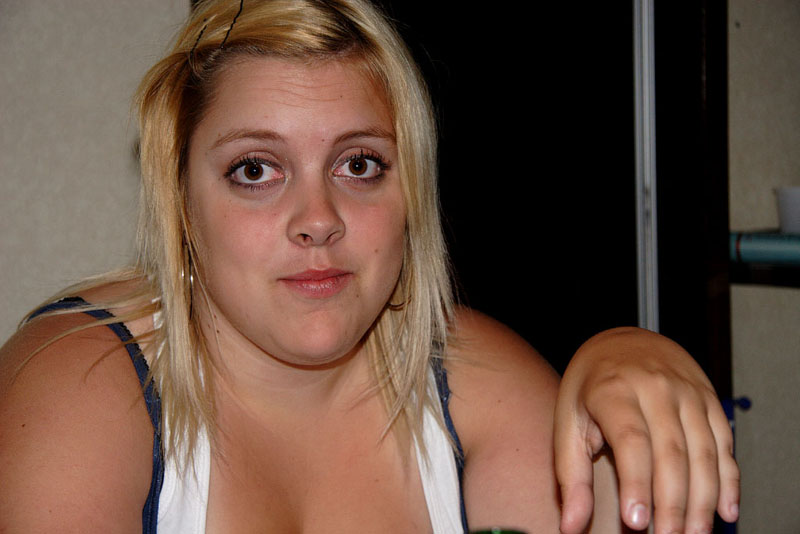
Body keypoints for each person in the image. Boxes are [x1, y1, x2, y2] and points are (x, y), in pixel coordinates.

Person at [0, 0, 738, 532]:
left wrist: (627, 362)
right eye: (255, 169)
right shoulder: (79, 389)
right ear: (181, 202)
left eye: (359, 164)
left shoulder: (479, 386)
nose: (319, 219)